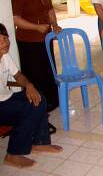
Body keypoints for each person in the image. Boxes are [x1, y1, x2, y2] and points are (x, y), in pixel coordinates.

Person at [0, 23, 62, 168]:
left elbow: (18, 75)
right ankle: (12, 155)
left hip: (6, 98)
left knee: (38, 97)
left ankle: (39, 143)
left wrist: (29, 86)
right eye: (0, 40)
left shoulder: (5, 56)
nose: (5, 42)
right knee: (27, 109)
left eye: (5, 38)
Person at [10, 0, 61, 112]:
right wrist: (36, 27)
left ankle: (52, 101)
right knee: (35, 73)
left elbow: (50, 10)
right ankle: (39, 105)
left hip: (46, 38)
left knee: (48, 69)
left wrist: (55, 24)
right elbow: (16, 19)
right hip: (29, 41)